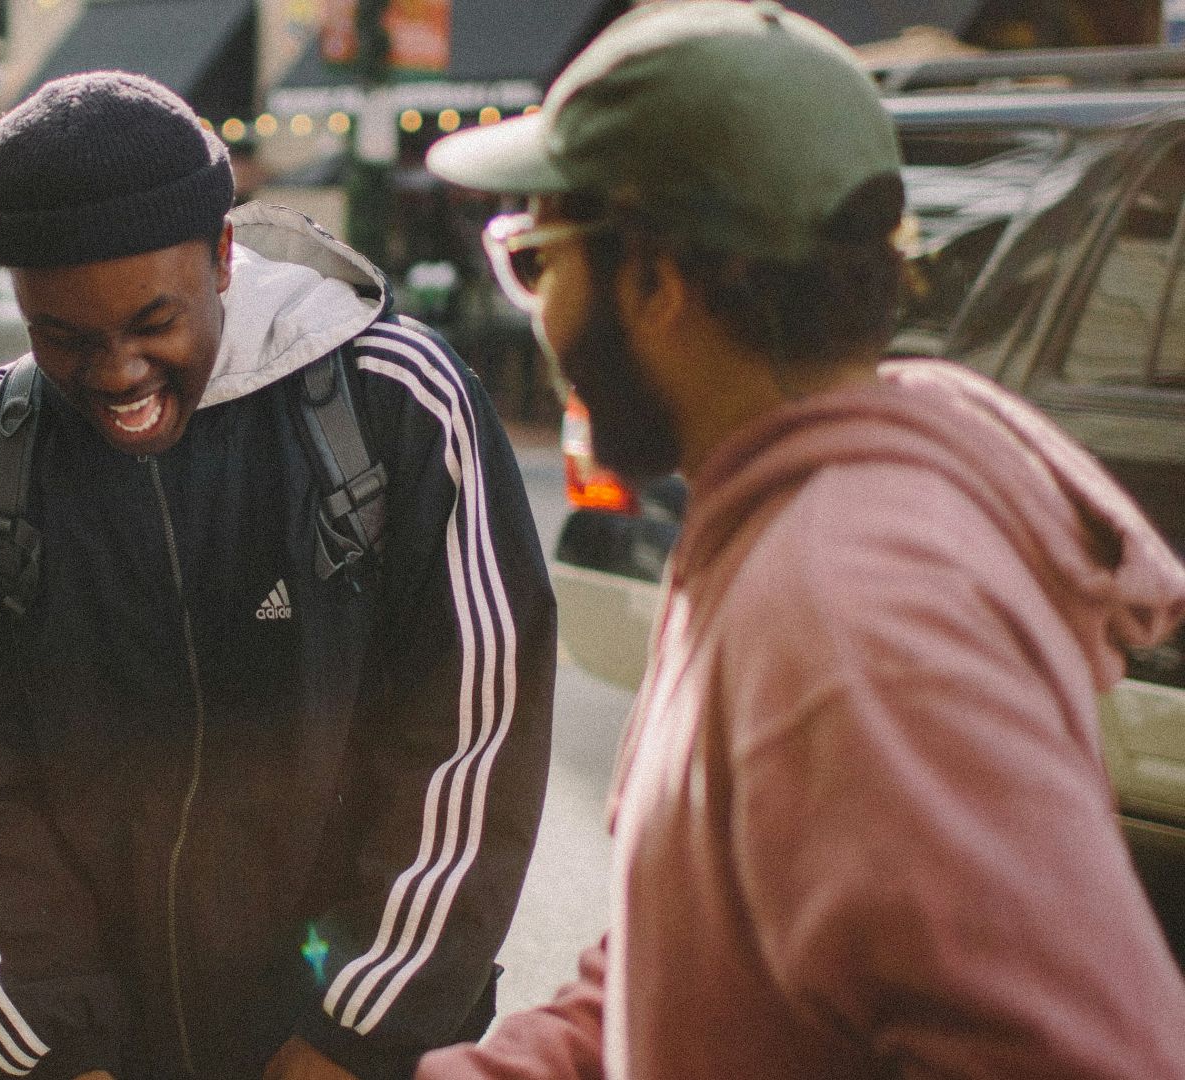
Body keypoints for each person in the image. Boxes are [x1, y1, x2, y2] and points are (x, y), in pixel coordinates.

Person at [418, 3, 1185, 1078]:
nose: (536, 313)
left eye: (538, 258)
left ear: (659, 280)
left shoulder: (850, 615)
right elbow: (682, 964)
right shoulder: (783, 533)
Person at [0, 72, 556, 1080]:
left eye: (153, 323)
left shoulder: (398, 404)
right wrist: (61, 1046)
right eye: (64, 336)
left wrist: (348, 1031)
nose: (117, 373)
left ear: (224, 256)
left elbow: (472, 739)